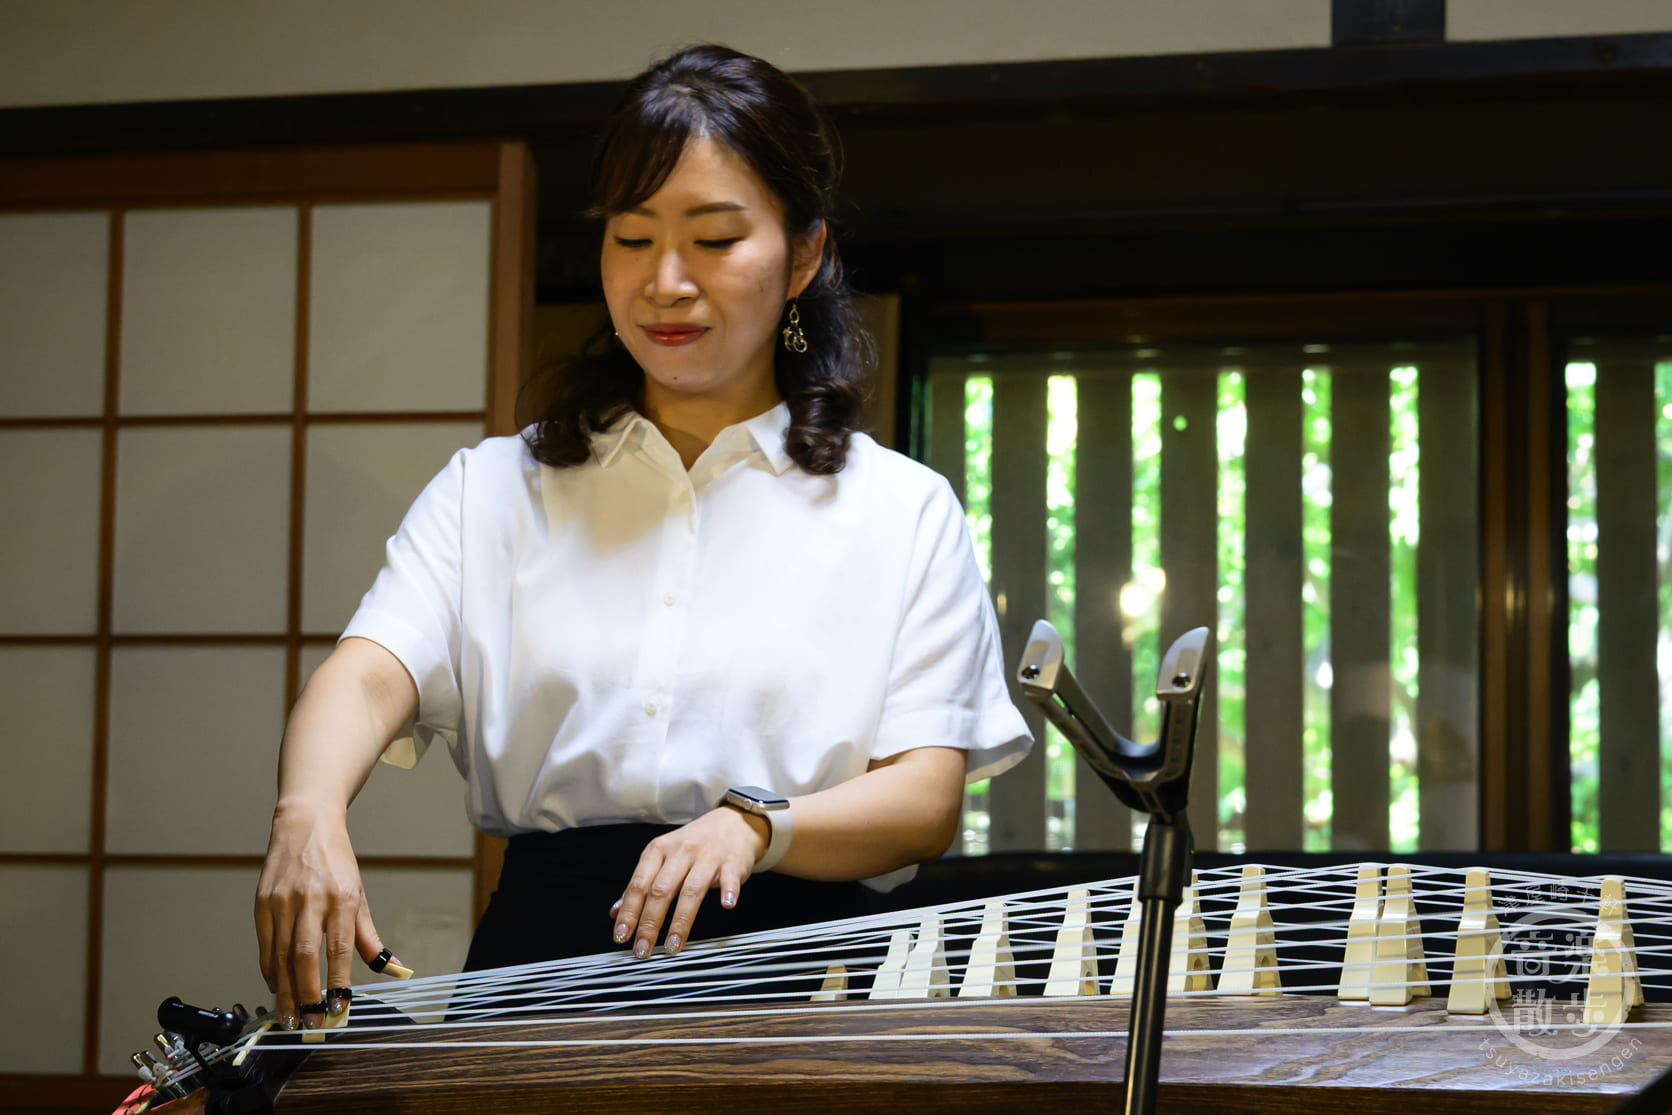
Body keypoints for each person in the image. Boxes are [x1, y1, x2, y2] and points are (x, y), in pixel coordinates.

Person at [254, 44, 1031, 1031]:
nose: (665, 281)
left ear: (802, 256)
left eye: (714, 238)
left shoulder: (901, 508)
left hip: (802, 986)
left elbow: (923, 797)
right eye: (632, 237)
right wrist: (308, 811)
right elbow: (367, 675)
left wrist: (757, 825)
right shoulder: (492, 489)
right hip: (537, 978)